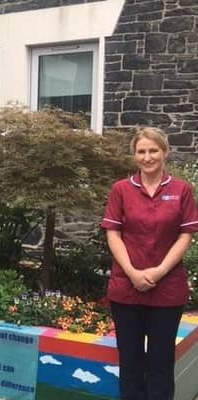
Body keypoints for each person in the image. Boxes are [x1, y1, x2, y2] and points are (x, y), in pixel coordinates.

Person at [101, 127, 198, 400]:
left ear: (165, 152)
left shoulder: (181, 190)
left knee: (161, 363)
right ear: (134, 155)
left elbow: (185, 235)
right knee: (130, 363)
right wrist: (132, 273)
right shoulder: (121, 190)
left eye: (153, 150)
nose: (147, 157)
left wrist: (159, 271)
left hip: (167, 290)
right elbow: (113, 234)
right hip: (126, 288)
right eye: (141, 151)